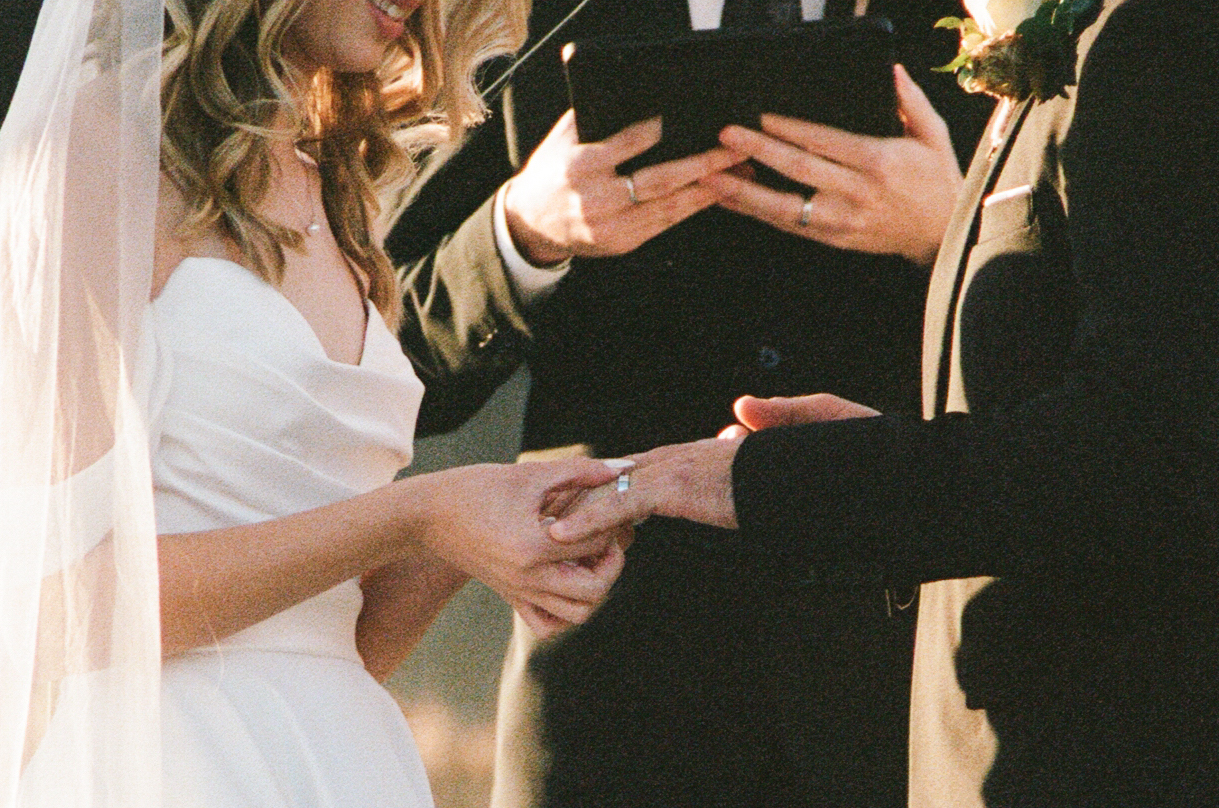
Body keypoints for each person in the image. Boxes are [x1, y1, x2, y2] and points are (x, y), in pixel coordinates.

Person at [553, 0, 1219, 805]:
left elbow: (1147, 456)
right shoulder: (1060, 54)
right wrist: (867, 450)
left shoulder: (1161, 39)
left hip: (1113, 758)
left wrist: (769, 482)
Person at [4, 0, 630, 805]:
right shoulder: (91, 146)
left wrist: (483, 532)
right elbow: (62, 604)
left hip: (343, 762)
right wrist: (418, 515)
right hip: (167, 769)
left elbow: (332, 636)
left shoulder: (336, 187)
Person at [387, 2, 994, 807]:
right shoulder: (530, 16)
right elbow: (378, 359)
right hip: (609, 676)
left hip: (909, 680)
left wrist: (947, 232)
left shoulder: (988, 17)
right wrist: (521, 234)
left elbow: (1119, 364)